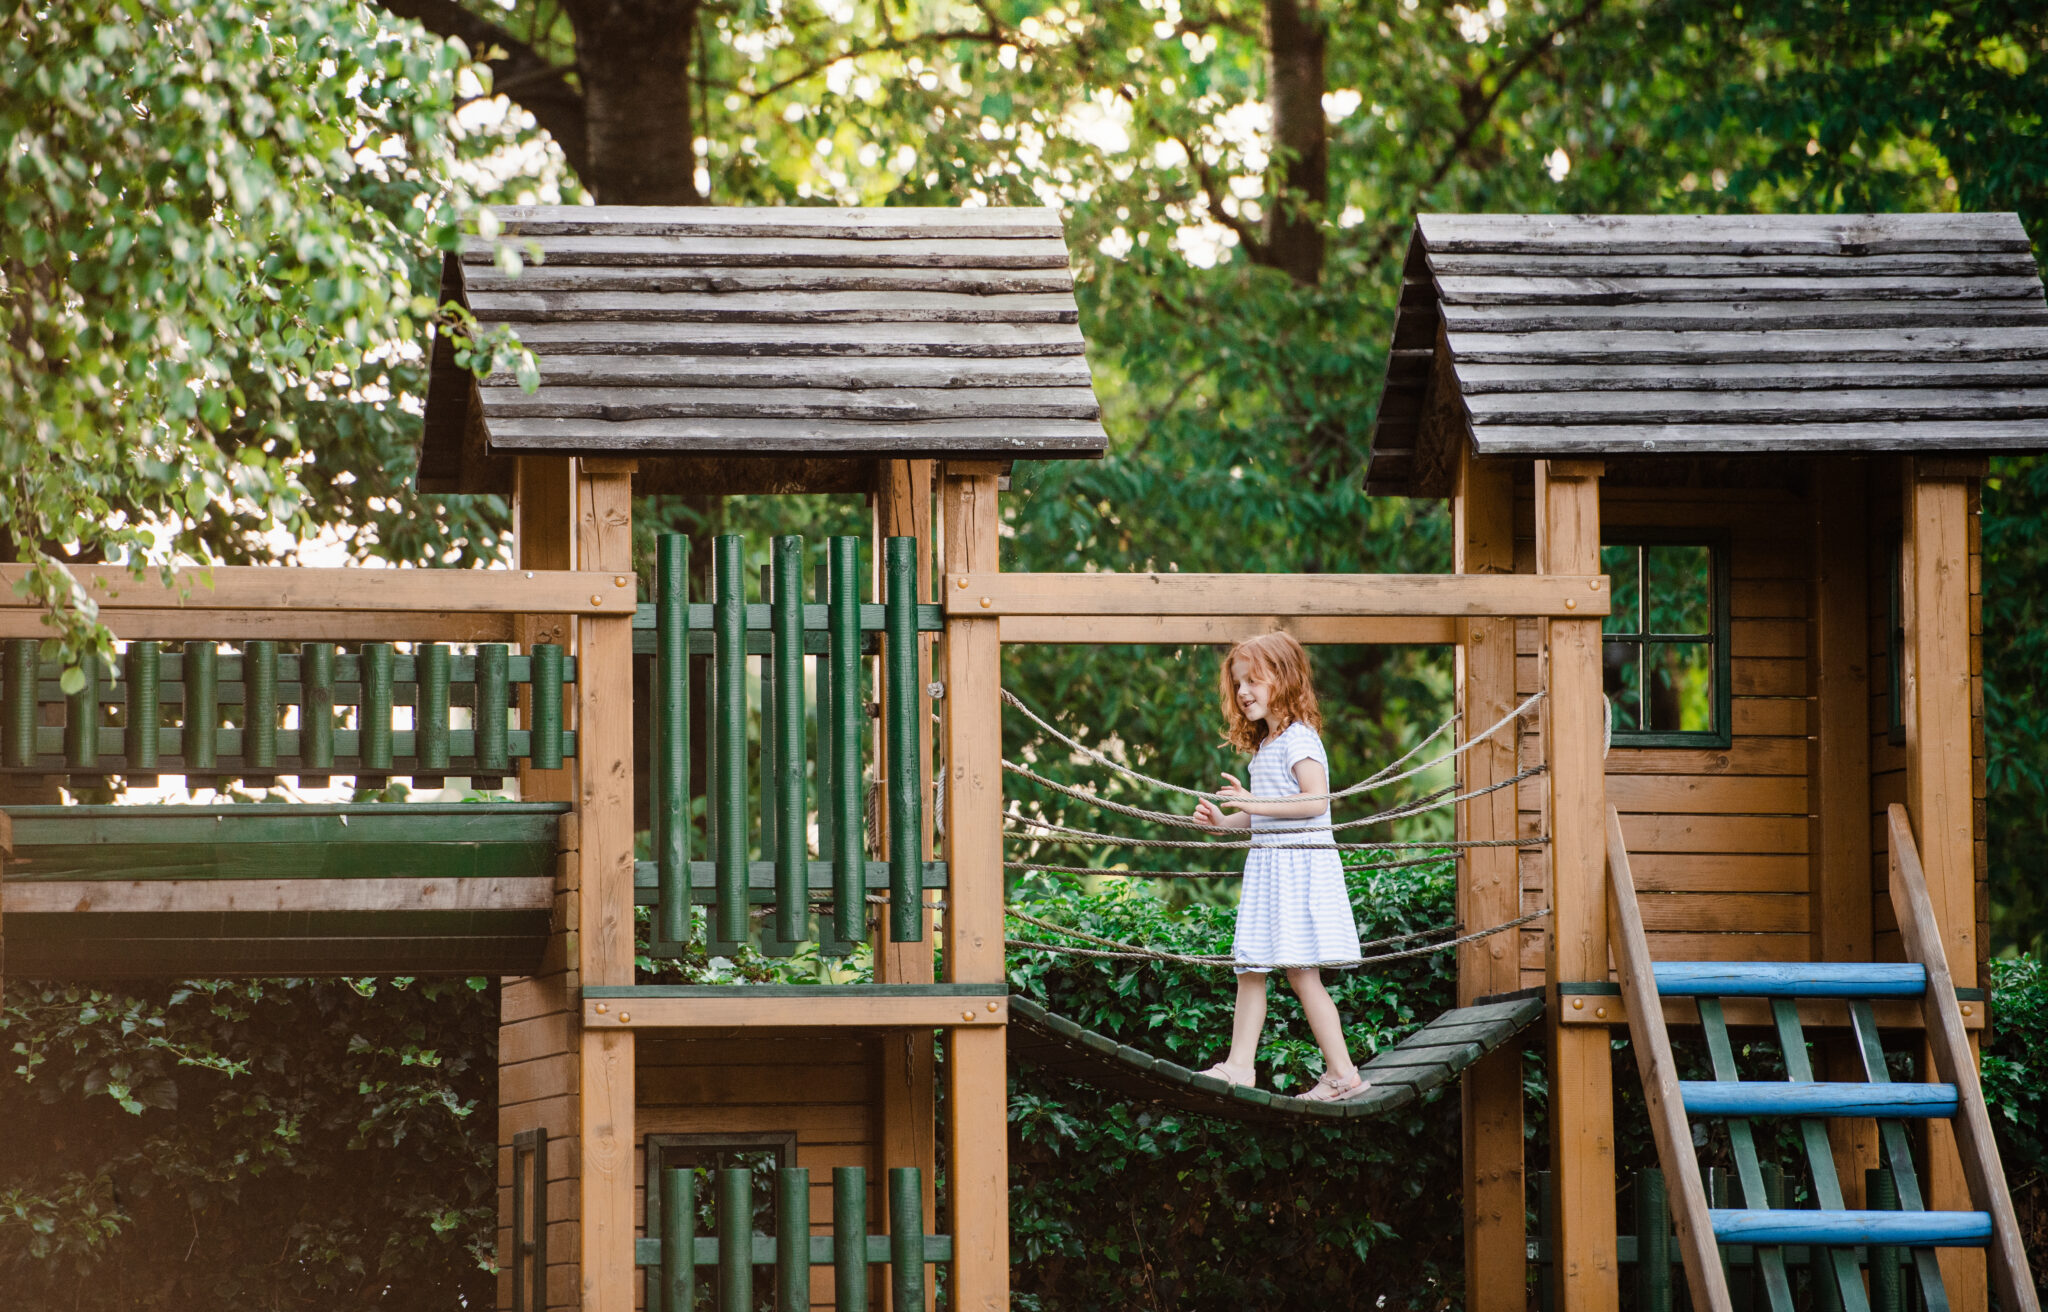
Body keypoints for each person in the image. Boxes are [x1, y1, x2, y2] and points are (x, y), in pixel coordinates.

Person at [1192, 632, 1366, 1102]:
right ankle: (1239, 1066)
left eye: (1254, 679)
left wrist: (1253, 801)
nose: (1244, 690)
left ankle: (1343, 1074)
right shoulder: (1267, 744)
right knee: (1251, 964)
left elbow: (1314, 802)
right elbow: (1268, 810)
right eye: (1238, 682)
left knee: (1300, 973)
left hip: (1297, 868)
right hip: (1270, 866)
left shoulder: (1300, 740)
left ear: (1284, 679)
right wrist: (1226, 820)